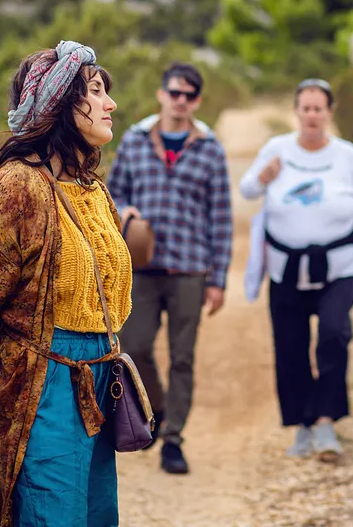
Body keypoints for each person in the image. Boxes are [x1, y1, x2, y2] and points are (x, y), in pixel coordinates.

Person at [0, 41, 134, 527]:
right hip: (39, 390)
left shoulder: (93, 188)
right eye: (96, 92)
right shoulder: (16, 189)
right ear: (58, 105)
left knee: (98, 517)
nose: (110, 104)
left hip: (94, 383)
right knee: (49, 516)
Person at [240, 77, 353, 462]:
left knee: (333, 333)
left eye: (318, 108)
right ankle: (302, 426)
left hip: (340, 266)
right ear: (296, 111)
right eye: (305, 108)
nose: (311, 115)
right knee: (289, 346)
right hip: (285, 268)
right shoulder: (277, 150)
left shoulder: (348, 156)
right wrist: (263, 177)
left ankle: (326, 419)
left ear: (329, 112)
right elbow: (246, 190)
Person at [106, 61, 233, 475]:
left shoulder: (210, 148)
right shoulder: (135, 140)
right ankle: (155, 410)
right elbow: (113, 190)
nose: (180, 101)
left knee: (183, 358)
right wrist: (126, 211)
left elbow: (221, 217)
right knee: (135, 347)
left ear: (197, 101)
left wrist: (218, 279)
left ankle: (173, 440)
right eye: (174, 93)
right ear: (161, 94)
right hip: (141, 268)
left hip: (191, 271)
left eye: (189, 95)